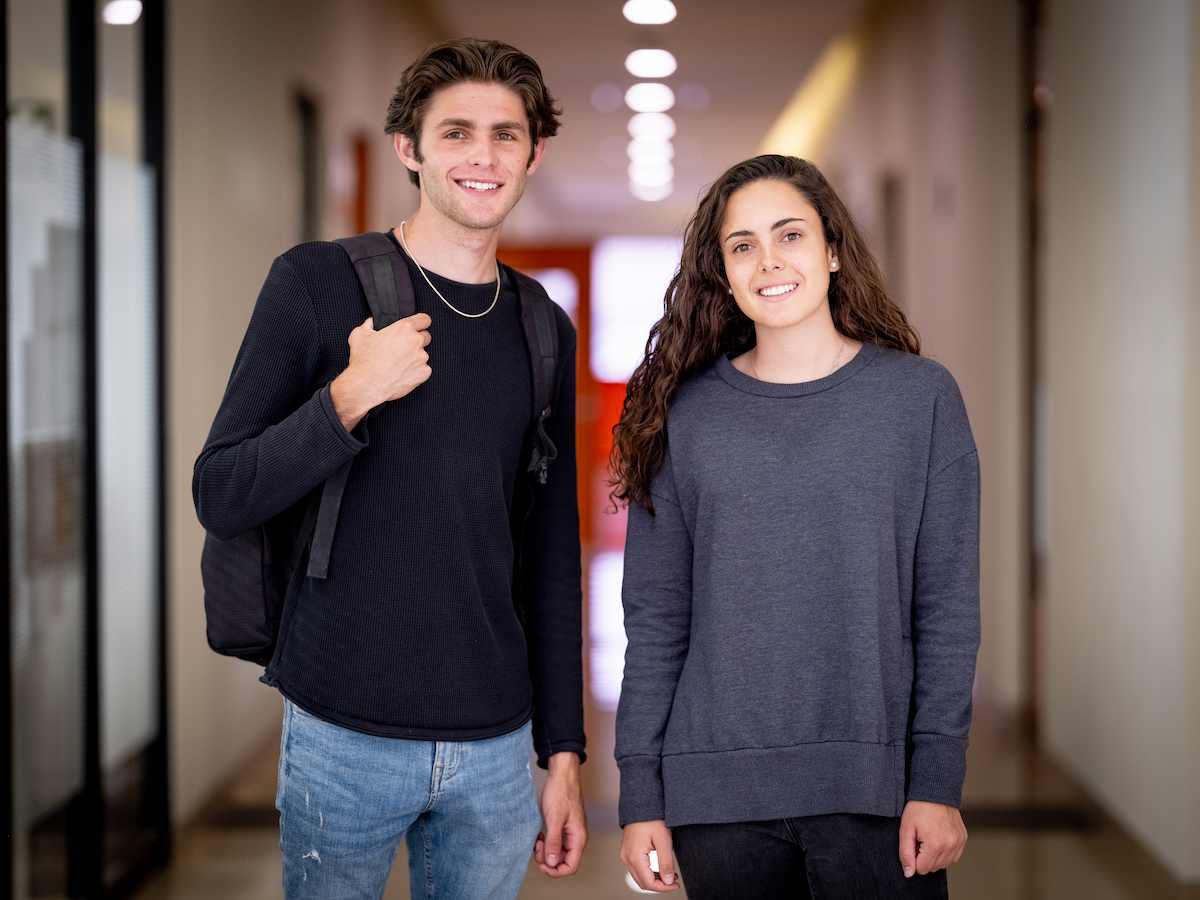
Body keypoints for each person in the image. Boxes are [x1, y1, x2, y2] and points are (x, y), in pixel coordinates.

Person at [193, 37, 587, 899]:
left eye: (505, 135)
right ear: (409, 149)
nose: (482, 156)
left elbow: (554, 562)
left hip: (494, 747)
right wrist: (345, 400)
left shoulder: (541, 328)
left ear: (534, 155)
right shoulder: (314, 284)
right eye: (456, 133)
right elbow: (220, 490)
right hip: (342, 732)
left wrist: (562, 755)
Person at [612, 154, 979, 898]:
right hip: (718, 800)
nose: (768, 262)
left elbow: (946, 608)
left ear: (833, 249)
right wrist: (641, 797)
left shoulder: (919, 401)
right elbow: (656, 621)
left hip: (874, 792)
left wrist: (937, 780)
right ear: (722, 270)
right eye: (742, 245)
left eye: (790, 236)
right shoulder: (685, 415)